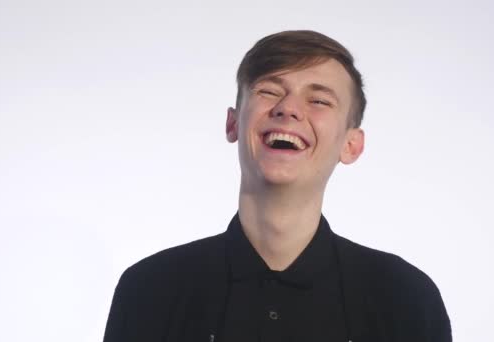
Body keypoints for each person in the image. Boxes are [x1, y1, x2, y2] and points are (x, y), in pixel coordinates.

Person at [103, 30, 452, 342]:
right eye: (269, 91)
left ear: (351, 145)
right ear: (233, 123)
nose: (288, 108)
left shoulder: (404, 298)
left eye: (318, 100)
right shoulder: (150, 289)